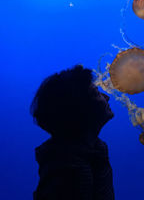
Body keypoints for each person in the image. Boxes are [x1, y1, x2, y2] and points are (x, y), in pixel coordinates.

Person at [30, 65, 115, 200]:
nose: (106, 97)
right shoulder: (68, 170)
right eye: (96, 93)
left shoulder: (93, 152)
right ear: (79, 110)